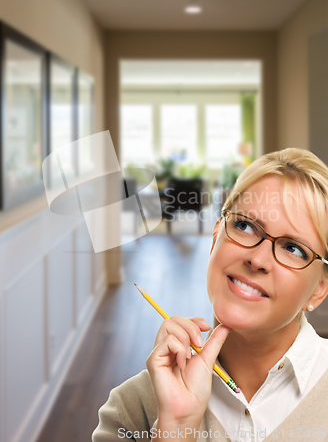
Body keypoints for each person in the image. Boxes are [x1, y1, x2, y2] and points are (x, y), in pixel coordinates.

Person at [92, 148, 328, 442]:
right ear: (216, 236)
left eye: (293, 248)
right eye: (245, 225)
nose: (257, 259)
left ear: (319, 289)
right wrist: (175, 431)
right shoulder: (132, 408)